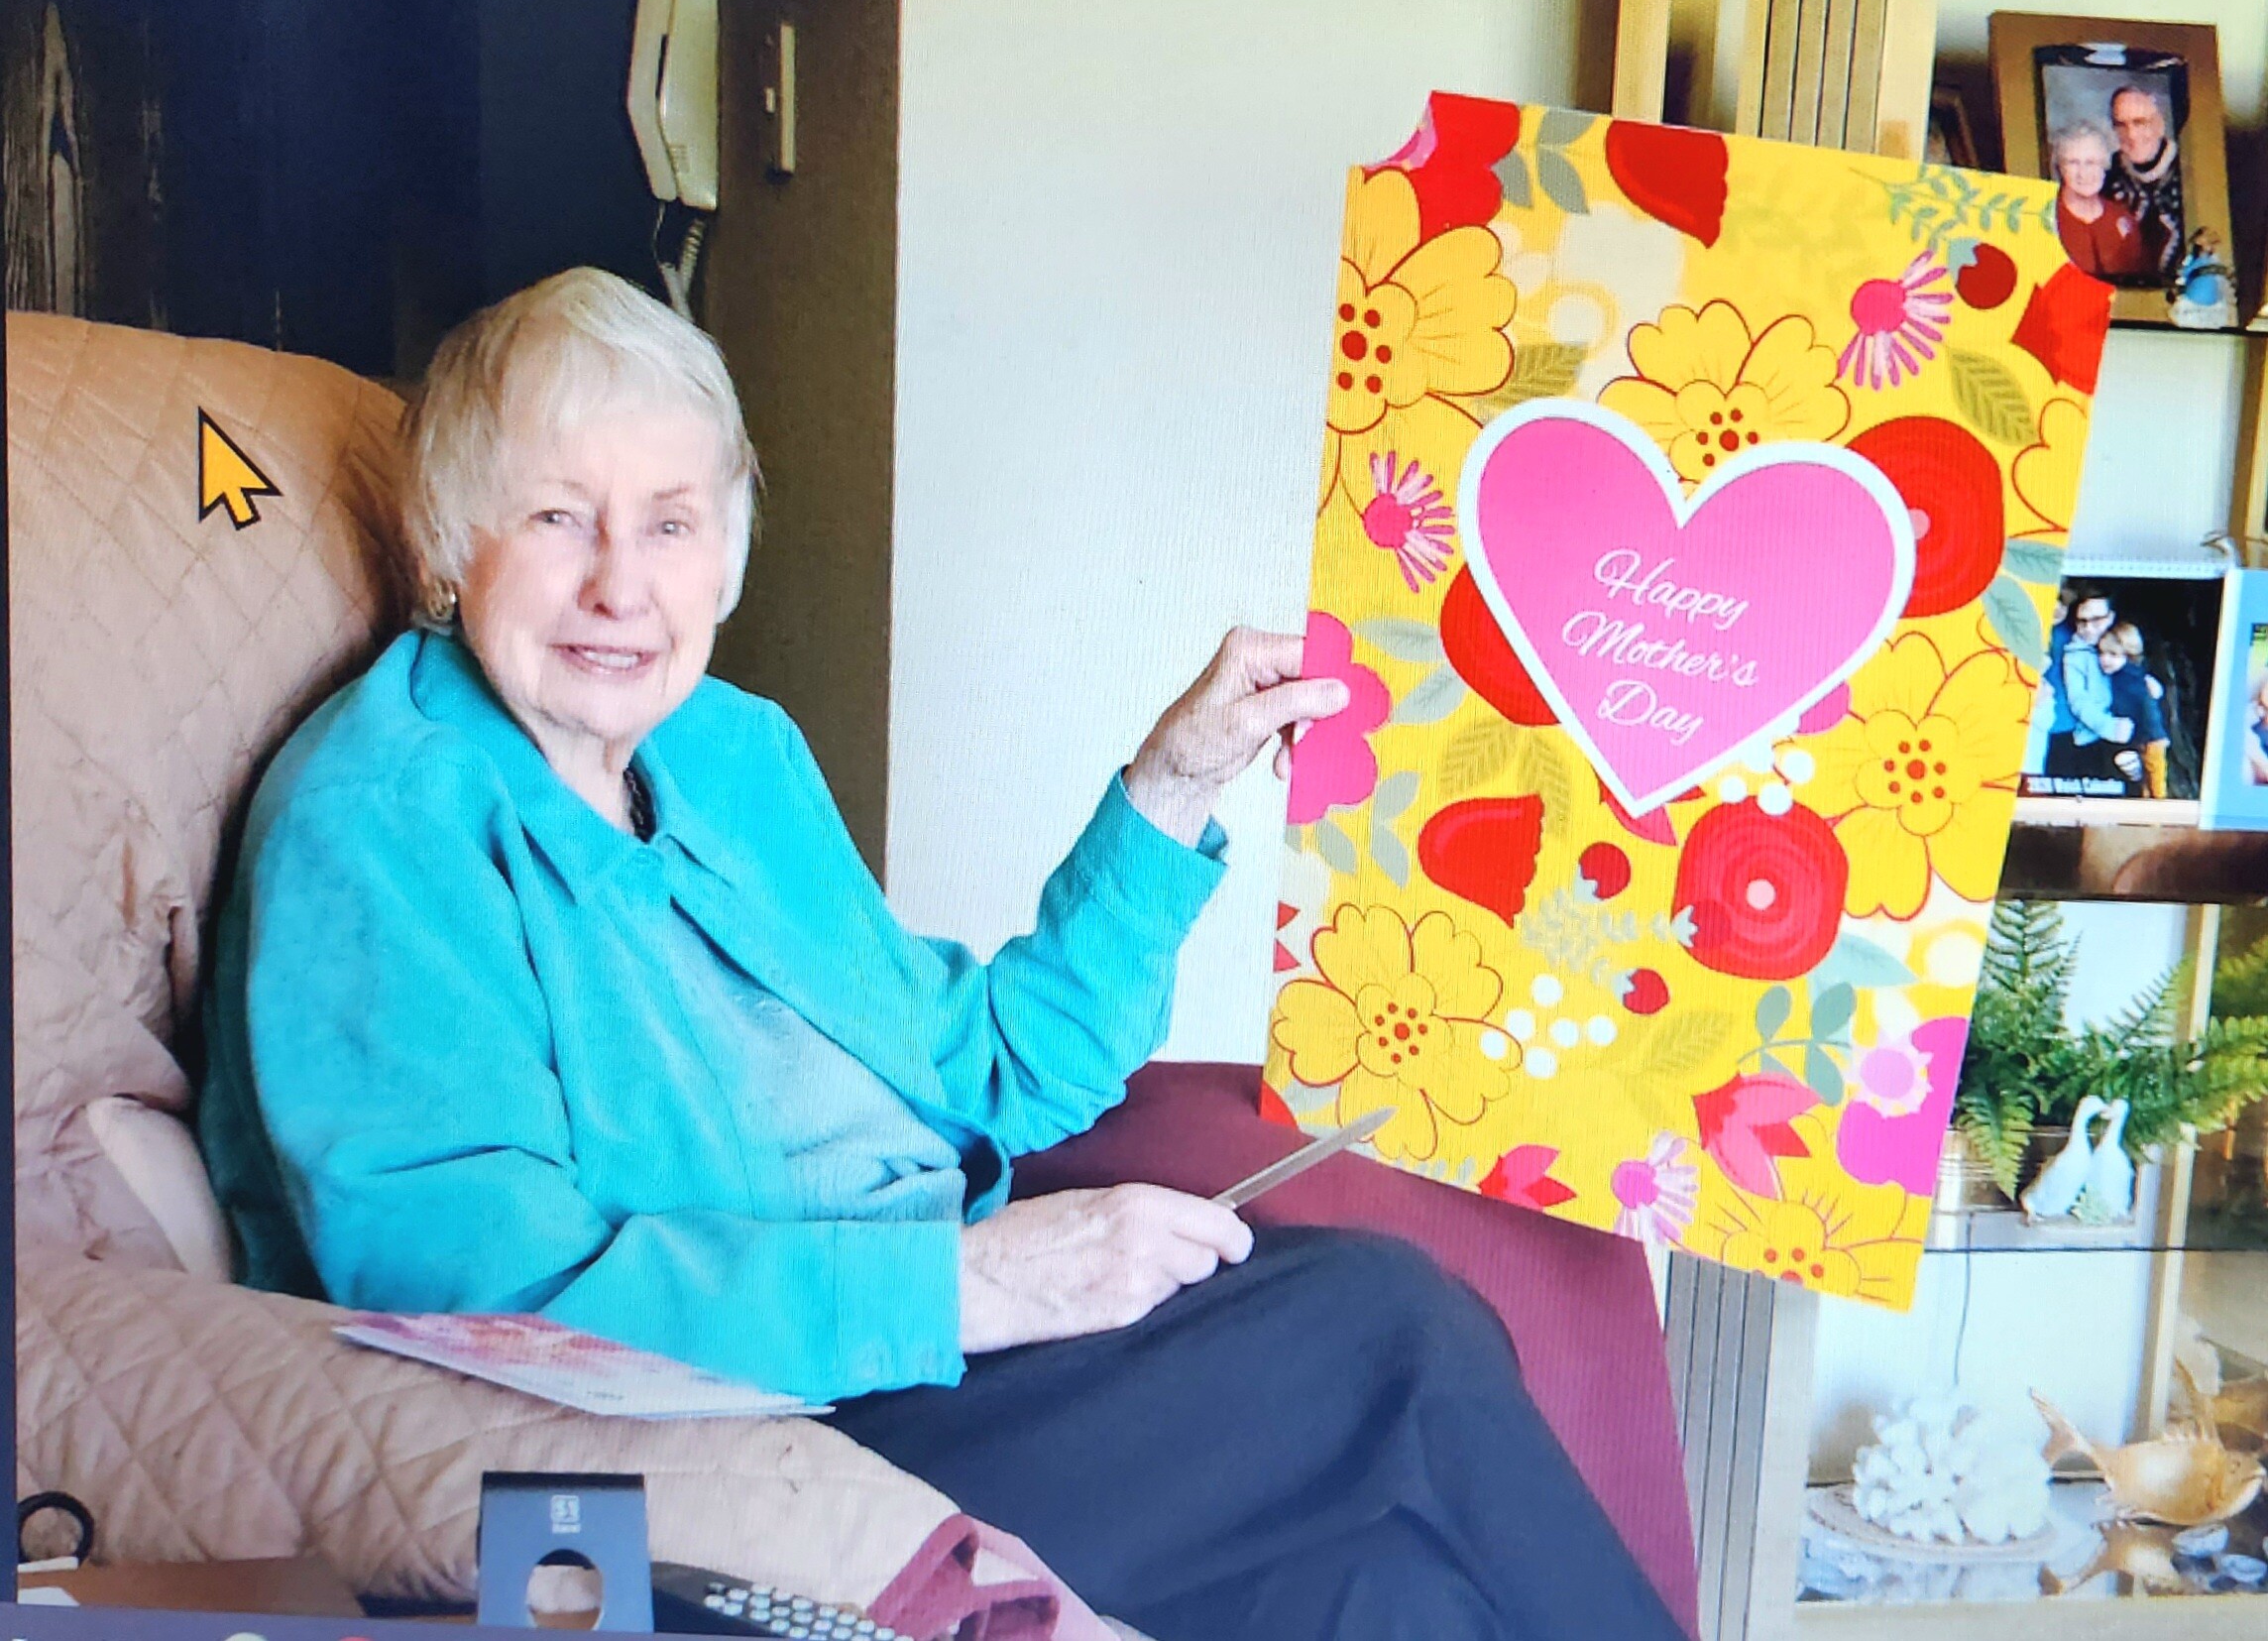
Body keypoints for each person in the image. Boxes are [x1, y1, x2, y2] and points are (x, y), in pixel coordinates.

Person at [196, 268, 1684, 1641]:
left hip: (953, 1356)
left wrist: (1171, 786)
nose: (619, 586)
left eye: (669, 522)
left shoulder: (729, 752)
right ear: (446, 543)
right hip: (754, 1441)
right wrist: (973, 1284)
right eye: (554, 517)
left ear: (724, 554)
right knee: (1390, 1330)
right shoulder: (380, 821)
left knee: (1384, 1592)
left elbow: (991, 1067)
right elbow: (478, 1292)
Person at [2043, 588, 2134, 783]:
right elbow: (2079, 700)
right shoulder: (2075, 654)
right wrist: (2108, 726)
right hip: (2092, 735)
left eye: (2097, 620)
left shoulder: (2123, 641)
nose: (2089, 628)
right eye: (2082, 621)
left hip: (2126, 730)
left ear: (2111, 617)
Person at [2050, 122, 2152, 281]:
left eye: (2091, 163)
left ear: (2105, 166)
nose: (2083, 173)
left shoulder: (2123, 220)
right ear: (2060, 168)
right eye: (2073, 163)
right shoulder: (2046, 219)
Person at [2104, 84, 2184, 283]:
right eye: (2121, 125)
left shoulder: (2188, 168)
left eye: (2139, 123)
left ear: (2159, 125)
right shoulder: (2108, 175)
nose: (2131, 135)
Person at [2097, 623, 2169, 797]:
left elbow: (2144, 709)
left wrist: (2155, 735)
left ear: (2129, 655)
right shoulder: (2128, 676)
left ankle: (2159, 809)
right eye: (2101, 653)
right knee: (2146, 779)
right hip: (2143, 736)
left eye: (2113, 654)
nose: (2105, 660)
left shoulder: (2130, 679)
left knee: (2155, 779)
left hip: (2149, 736)